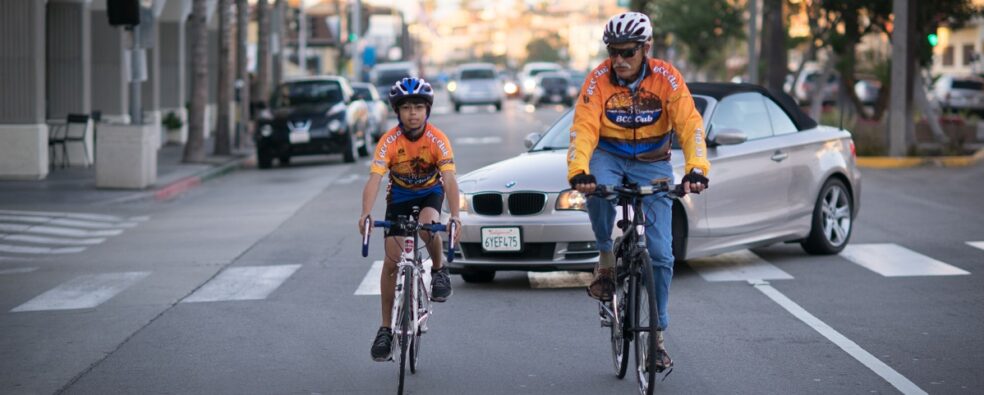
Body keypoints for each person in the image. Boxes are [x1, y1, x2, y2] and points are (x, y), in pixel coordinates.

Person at [567, 11, 710, 371]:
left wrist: (696, 168)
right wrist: (579, 170)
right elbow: (583, 128)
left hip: (654, 161)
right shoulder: (598, 79)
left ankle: (657, 338)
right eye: (613, 51)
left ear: (646, 48)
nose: (619, 60)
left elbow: (690, 123)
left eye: (628, 52)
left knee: (661, 256)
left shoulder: (667, 78)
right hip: (609, 155)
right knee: (596, 191)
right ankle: (605, 261)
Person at [358, 77, 462, 362]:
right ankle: (385, 329)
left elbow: (450, 179)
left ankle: (440, 270)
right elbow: (374, 179)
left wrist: (455, 216)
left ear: (427, 110)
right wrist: (366, 213)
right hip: (400, 198)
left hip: (430, 193)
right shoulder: (389, 141)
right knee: (391, 262)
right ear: (397, 112)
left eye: (418, 107)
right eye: (406, 108)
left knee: (429, 226)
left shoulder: (437, 139)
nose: (413, 113)